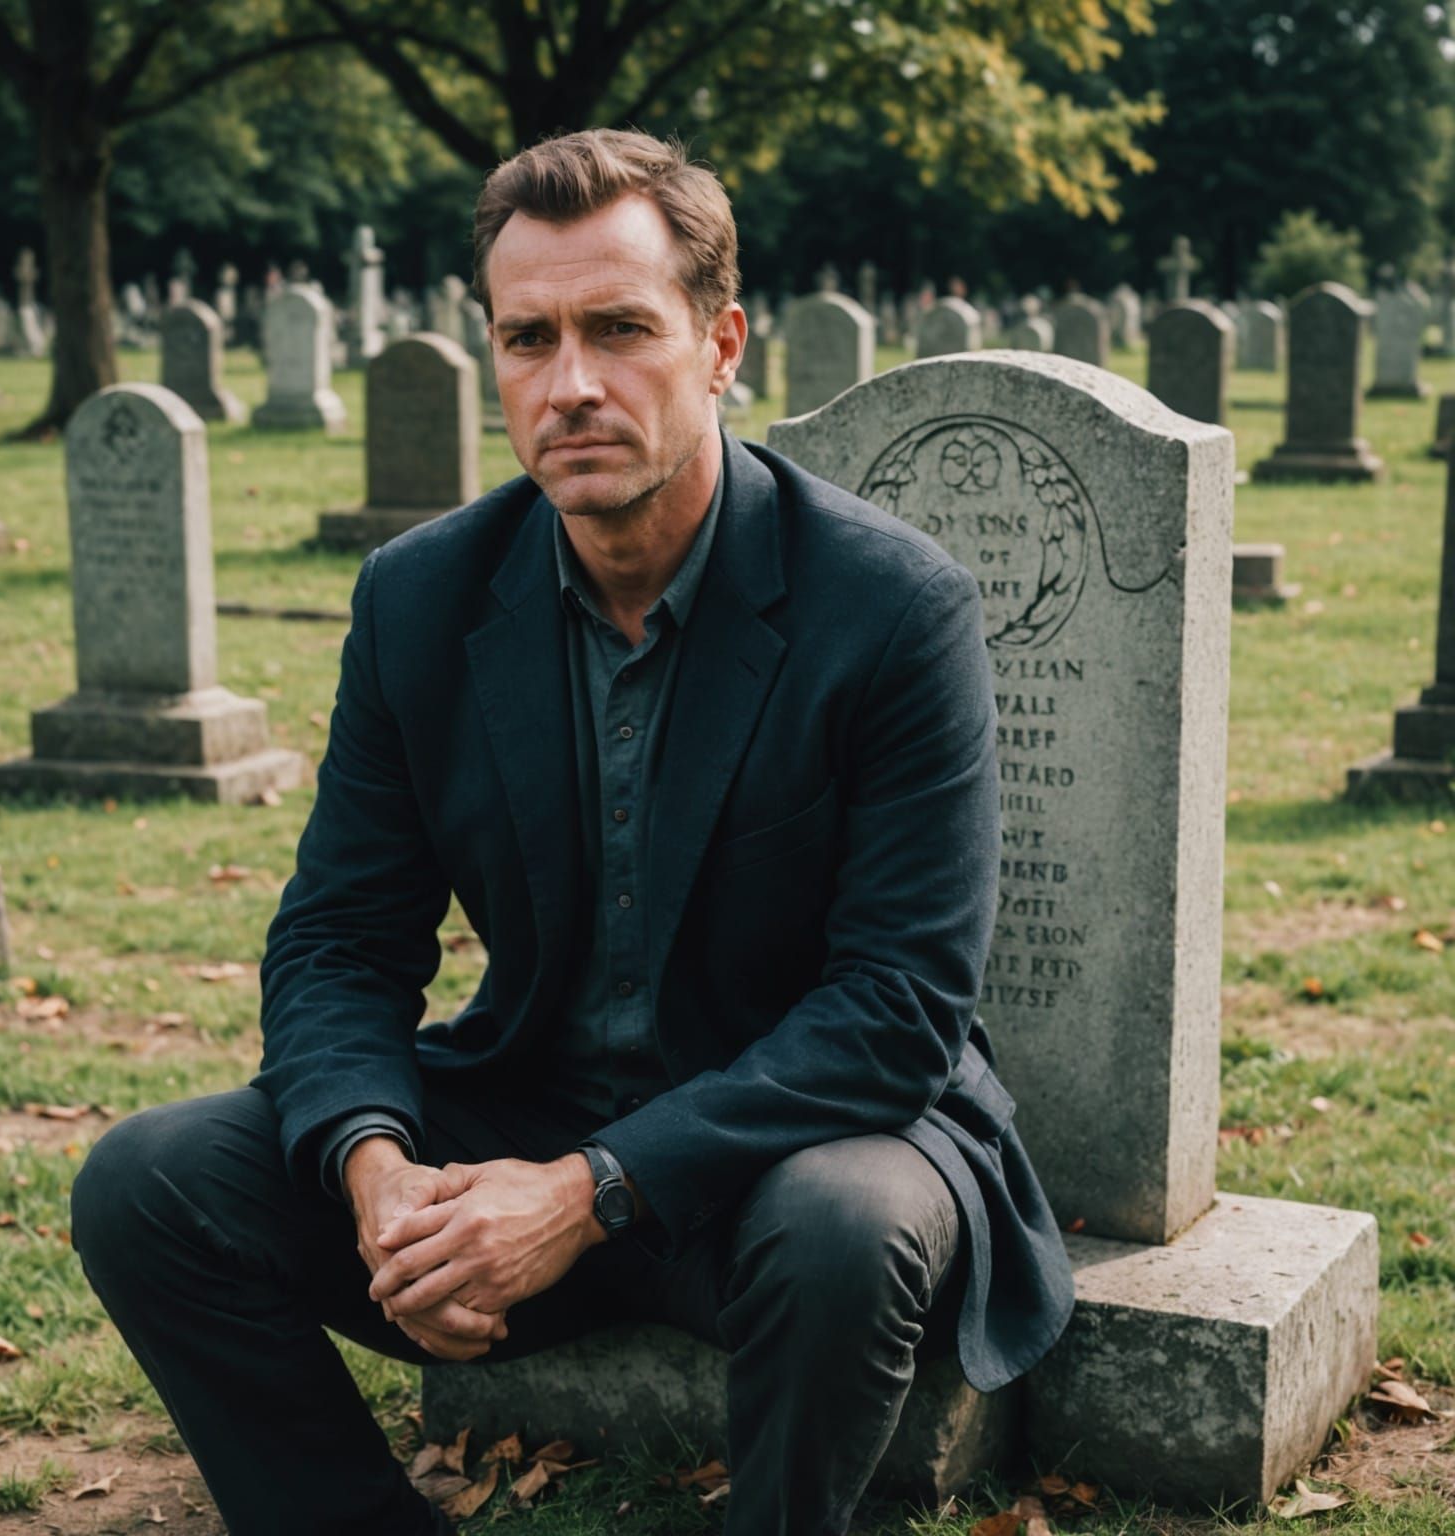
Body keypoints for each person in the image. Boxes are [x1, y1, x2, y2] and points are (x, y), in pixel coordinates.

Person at [71, 128, 1074, 1536]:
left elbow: (898, 1009)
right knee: (149, 1183)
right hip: (530, 1103)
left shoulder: (892, 608)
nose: (572, 384)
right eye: (528, 339)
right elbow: (340, 941)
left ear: (720, 346)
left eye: (620, 329)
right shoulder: (420, 598)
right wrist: (378, 1174)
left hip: (794, 1147)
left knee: (846, 1227)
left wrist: (584, 1195)